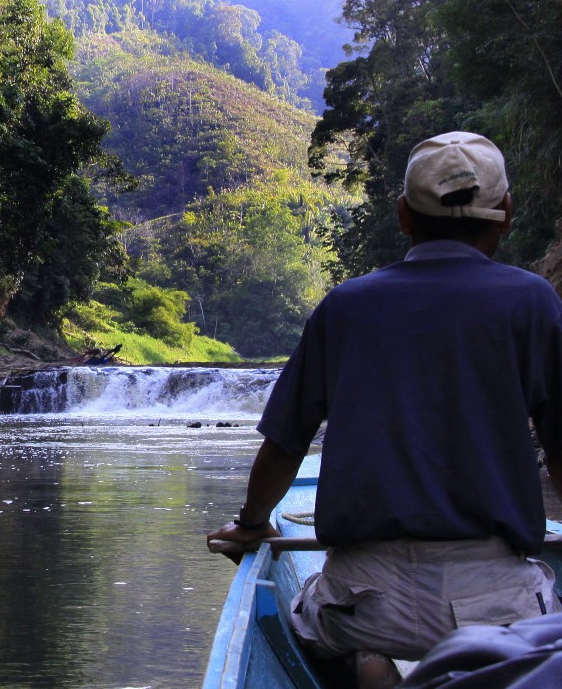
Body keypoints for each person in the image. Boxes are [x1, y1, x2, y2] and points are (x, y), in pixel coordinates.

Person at [207, 132, 562, 682]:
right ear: (506, 214)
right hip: (496, 603)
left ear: (403, 215)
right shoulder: (534, 301)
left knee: (315, 617)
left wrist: (253, 523)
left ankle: (367, 660)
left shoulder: (346, 306)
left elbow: (285, 443)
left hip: (366, 599)